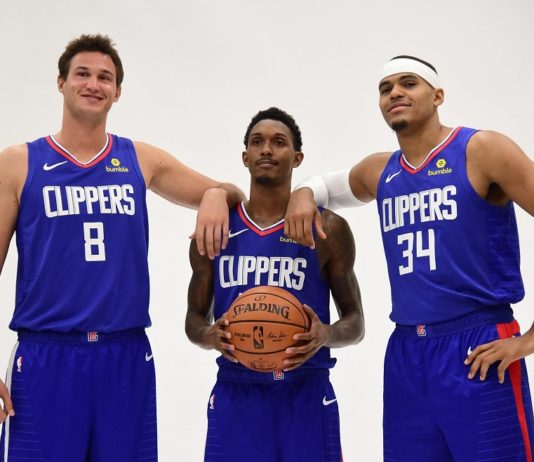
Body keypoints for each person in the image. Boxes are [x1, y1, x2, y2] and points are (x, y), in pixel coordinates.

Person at [0, 34, 244, 461]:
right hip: (46, 355)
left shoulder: (139, 159)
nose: (93, 84)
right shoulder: (19, 162)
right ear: (60, 82)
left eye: (105, 77)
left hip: (125, 354)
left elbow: (233, 193)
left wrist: (215, 194)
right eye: (83, 74)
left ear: (117, 91)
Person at [284, 55, 534, 461]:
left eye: (408, 83)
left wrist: (527, 341)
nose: (395, 93)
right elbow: (326, 186)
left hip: (479, 343)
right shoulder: (381, 170)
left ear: (438, 96)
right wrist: (303, 193)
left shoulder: (482, 149)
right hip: (406, 352)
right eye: (385, 89)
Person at [186, 107, 364, 462]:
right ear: (245, 157)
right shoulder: (217, 228)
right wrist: (208, 335)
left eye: (279, 142)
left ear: (297, 158)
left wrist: (326, 334)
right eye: (257, 142)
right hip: (236, 390)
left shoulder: (328, 229)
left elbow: (356, 322)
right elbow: (193, 318)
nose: (266, 149)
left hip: (306, 390)